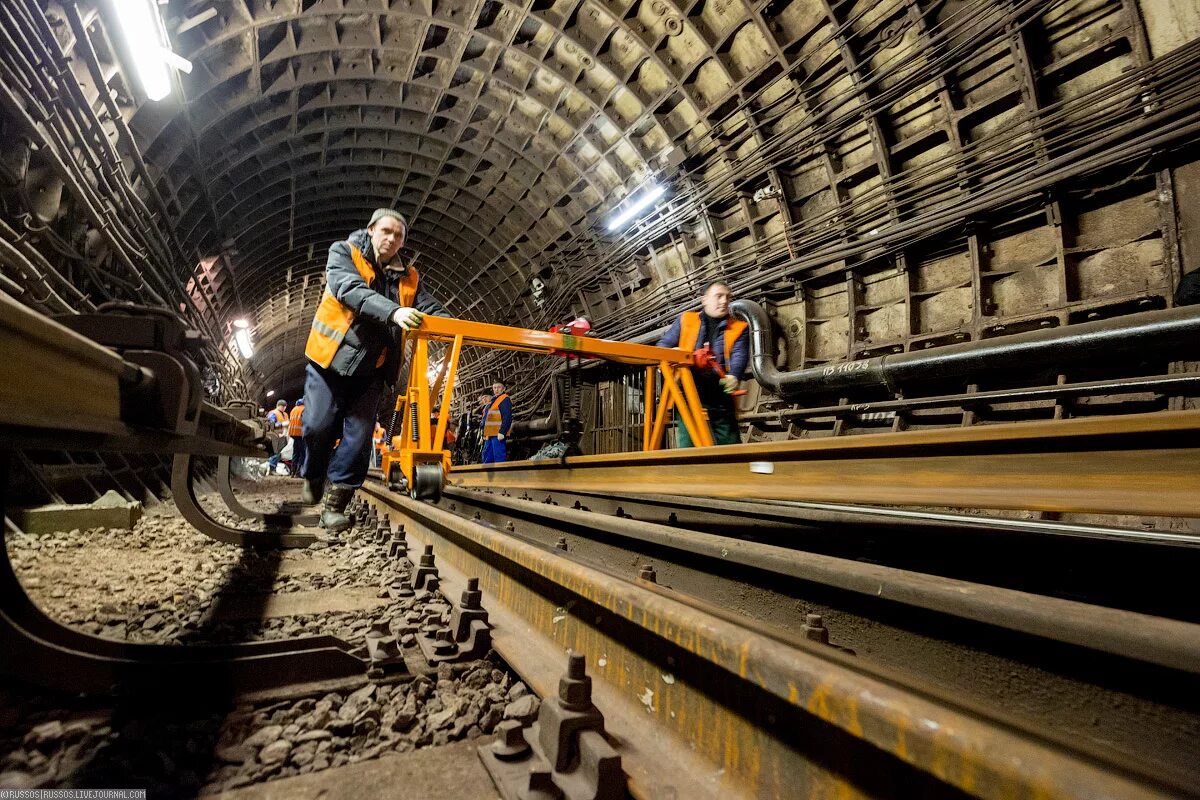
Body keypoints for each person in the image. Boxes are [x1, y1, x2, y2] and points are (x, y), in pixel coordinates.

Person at [301, 208, 447, 532]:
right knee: (317, 427)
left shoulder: (408, 277)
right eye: (386, 231)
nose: (391, 239)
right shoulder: (344, 253)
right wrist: (394, 313)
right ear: (371, 230)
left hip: (372, 372)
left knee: (358, 439)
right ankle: (312, 475)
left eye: (398, 235)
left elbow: (430, 308)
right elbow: (348, 289)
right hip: (330, 361)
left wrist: (458, 326)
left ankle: (335, 506)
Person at [657, 281, 748, 446]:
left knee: (730, 445)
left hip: (720, 395)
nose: (724, 301)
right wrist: (678, 354)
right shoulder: (686, 320)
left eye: (727, 297)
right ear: (704, 299)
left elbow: (739, 354)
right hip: (689, 394)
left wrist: (734, 375)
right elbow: (662, 347)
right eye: (719, 296)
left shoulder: (739, 328)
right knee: (689, 446)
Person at [480, 381, 512, 464]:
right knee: (487, 458)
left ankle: (501, 476)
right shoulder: (494, 400)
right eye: (494, 387)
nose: (496, 390)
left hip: (497, 435)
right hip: (489, 435)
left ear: (503, 388)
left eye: (499, 387)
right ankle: (487, 476)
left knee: (499, 458)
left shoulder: (504, 399)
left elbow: (507, 417)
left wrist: (502, 431)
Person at [266, 399, 289, 473]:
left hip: (283, 435)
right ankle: (271, 468)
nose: (284, 408)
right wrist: (281, 424)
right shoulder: (273, 413)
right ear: (279, 406)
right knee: (276, 453)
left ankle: (272, 468)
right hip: (275, 435)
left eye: (285, 407)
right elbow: (271, 424)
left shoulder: (285, 414)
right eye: (283, 406)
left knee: (280, 453)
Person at [287, 398, 306, 476]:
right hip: (301, 434)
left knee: (295, 453)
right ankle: (299, 472)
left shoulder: (294, 409)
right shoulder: (304, 409)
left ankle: (292, 471)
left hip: (293, 433)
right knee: (302, 453)